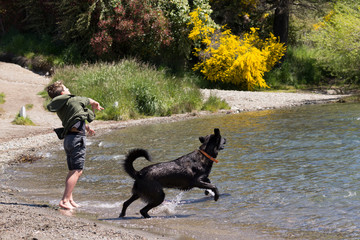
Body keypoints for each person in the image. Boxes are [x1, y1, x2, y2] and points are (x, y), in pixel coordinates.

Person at [46, 81, 104, 210]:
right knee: (77, 170)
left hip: (69, 139)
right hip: (77, 139)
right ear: (62, 93)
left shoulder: (63, 105)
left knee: (73, 170)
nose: (69, 89)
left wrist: (87, 127)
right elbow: (86, 99)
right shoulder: (73, 100)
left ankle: (70, 199)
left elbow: (75, 118)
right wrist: (94, 102)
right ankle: (64, 200)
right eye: (67, 88)